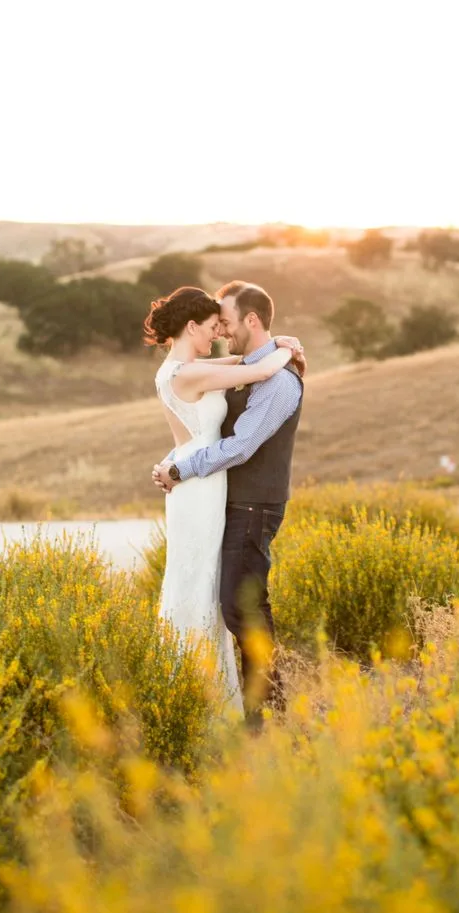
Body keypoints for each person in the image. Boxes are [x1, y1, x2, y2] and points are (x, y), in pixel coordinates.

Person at [148, 282, 305, 726]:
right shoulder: (188, 370)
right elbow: (248, 371)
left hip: (241, 500)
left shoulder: (267, 380)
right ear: (192, 326)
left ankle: (259, 708)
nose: (221, 333)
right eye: (214, 326)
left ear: (250, 321)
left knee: (233, 602)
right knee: (211, 592)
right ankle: (211, 698)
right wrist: (282, 347)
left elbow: (238, 438)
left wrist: (281, 349)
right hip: (207, 492)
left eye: (228, 324)